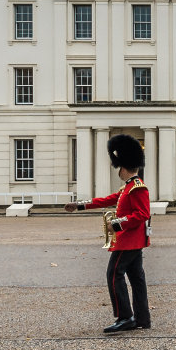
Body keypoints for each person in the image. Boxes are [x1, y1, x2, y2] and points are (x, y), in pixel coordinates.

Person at [64, 134, 151, 334]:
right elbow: (105, 200)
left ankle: (125, 317)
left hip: (128, 241)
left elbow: (142, 214)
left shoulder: (138, 188)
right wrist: (79, 206)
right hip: (132, 242)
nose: (118, 170)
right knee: (137, 278)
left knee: (113, 275)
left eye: (119, 166)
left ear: (124, 166)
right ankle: (142, 318)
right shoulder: (128, 188)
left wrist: (117, 225)